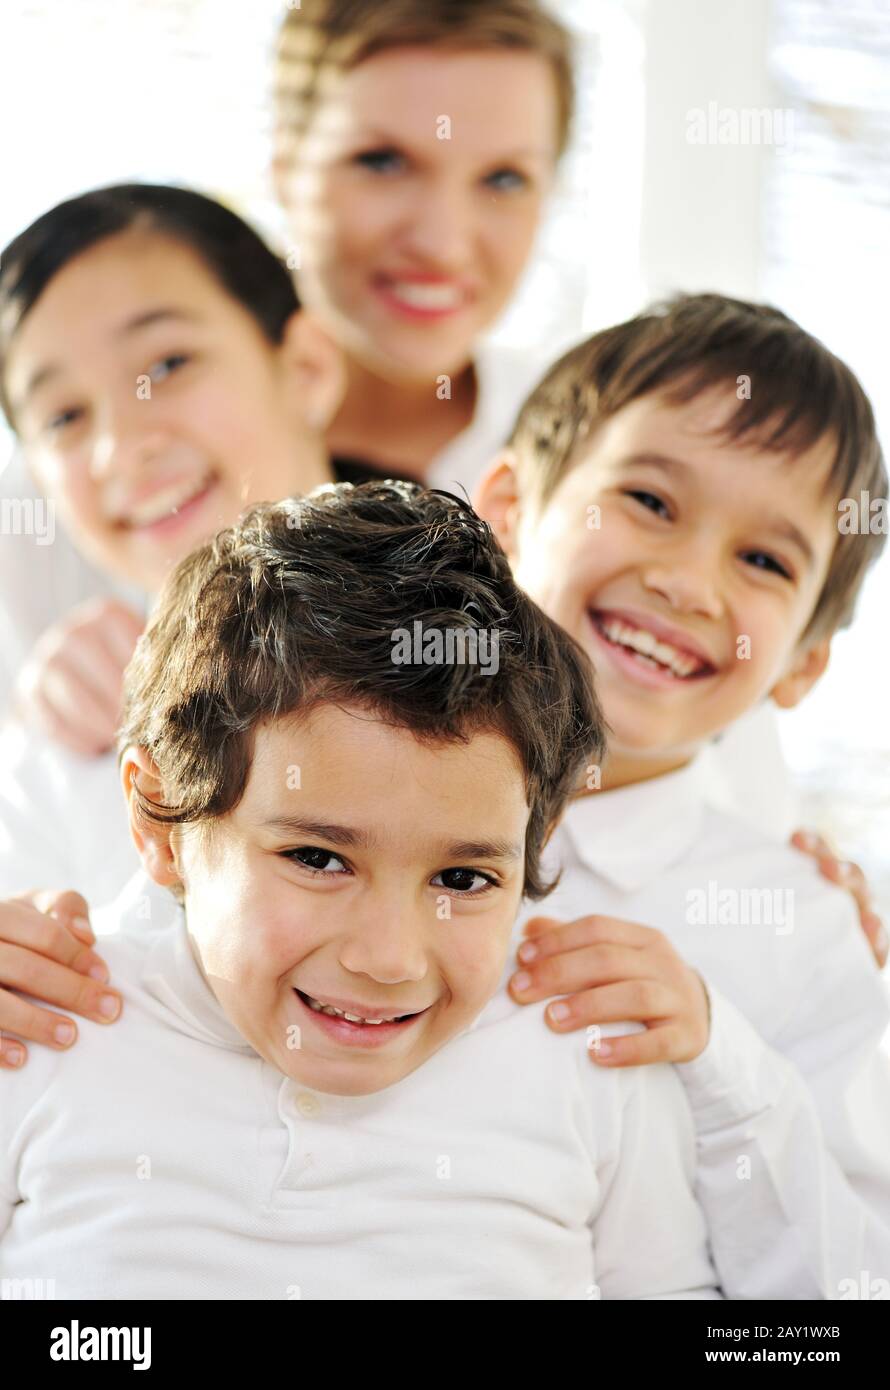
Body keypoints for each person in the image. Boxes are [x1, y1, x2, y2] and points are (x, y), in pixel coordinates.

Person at [0, 481, 725, 1300]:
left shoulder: (588, 1054)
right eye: (316, 859)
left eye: (463, 878)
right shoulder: (35, 1030)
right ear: (162, 821)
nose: (387, 958)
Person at [469, 292, 890, 1295]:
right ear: (508, 511)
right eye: (650, 502)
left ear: (800, 665)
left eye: (761, 559)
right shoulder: (318, 785)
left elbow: (841, 1290)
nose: (687, 582)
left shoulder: (800, 928)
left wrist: (718, 1051)